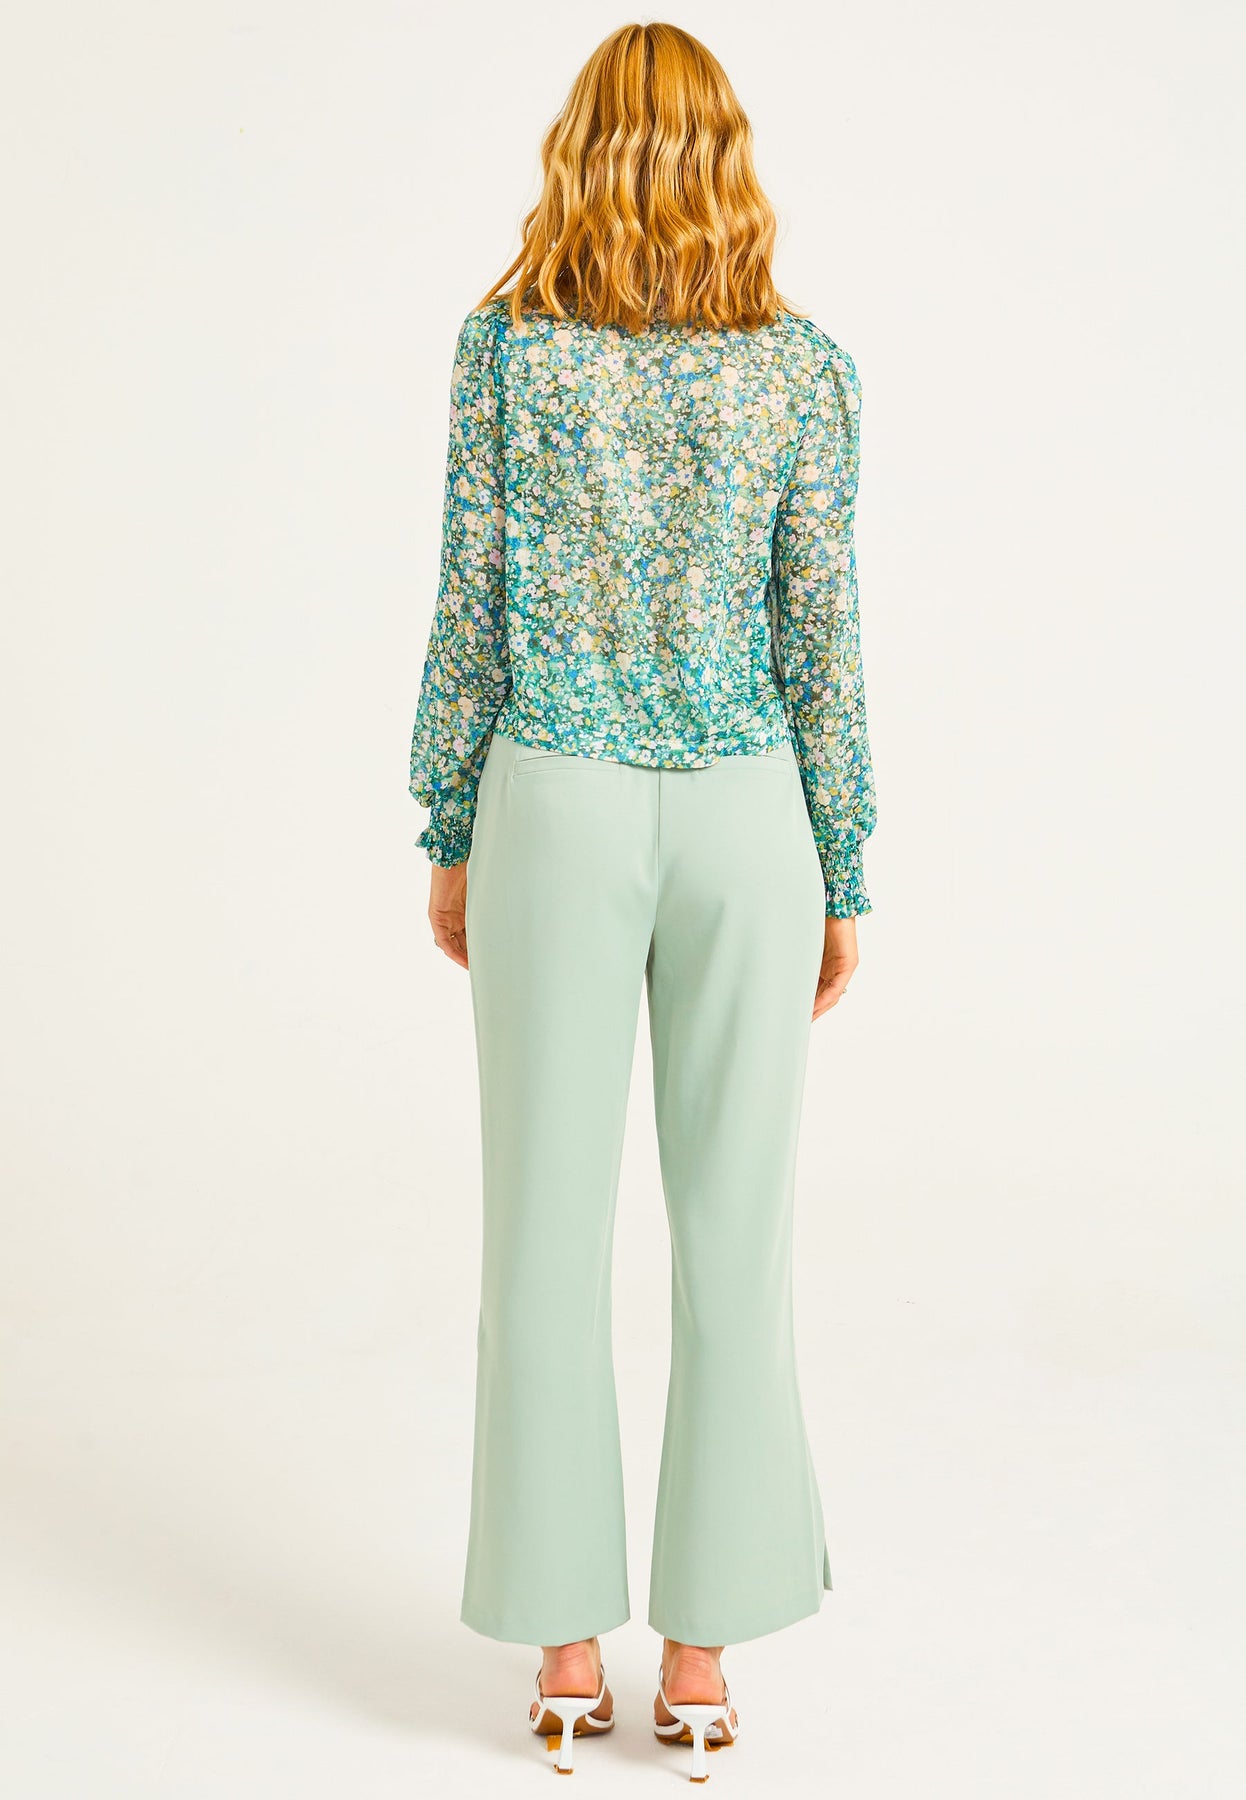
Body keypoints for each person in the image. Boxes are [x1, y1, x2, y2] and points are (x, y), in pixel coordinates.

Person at [407, 19, 877, 1781]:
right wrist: (843, 861)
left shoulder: (508, 354)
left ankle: (557, 1657)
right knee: (734, 1238)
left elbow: (470, 601)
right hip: (751, 810)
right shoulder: (801, 371)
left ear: (577, 153)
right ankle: (695, 1667)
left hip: (556, 796)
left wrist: (450, 825)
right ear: (726, 163)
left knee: (540, 1230)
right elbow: (821, 632)